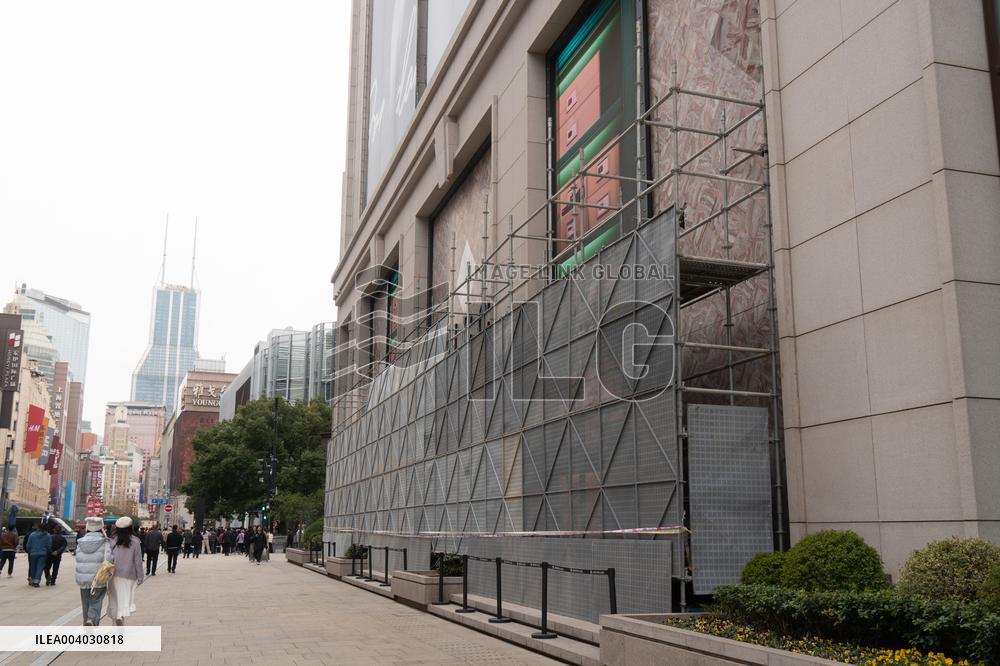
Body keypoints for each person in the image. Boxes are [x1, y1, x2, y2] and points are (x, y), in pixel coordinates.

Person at [75, 516, 112, 626]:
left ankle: (86, 623)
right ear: (101, 528)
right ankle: (91, 620)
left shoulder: (80, 543)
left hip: (83, 579)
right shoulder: (105, 543)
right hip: (98, 578)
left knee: (85, 603)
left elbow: (78, 559)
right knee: (96, 601)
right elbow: (109, 560)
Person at [107, 517, 143, 626]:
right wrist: (140, 577)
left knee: (113, 598)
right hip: (129, 574)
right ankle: (120, 617)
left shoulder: (112, 540)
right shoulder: (135, 541)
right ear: (130, 528)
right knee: (124, 598)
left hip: (113, 574)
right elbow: (138, 561)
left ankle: (115, 621)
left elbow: (109, 557)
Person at [24, 522, 51, 587]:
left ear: (38, 527)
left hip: (33, 553)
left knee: (33, 567)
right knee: (40, 567)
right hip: (43, 553)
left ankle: (33, 579)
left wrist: (29, 551)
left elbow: (28, 545)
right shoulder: (47, 535)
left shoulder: (32, 535)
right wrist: (47, 551)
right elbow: (49, 546)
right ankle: (37, 581)